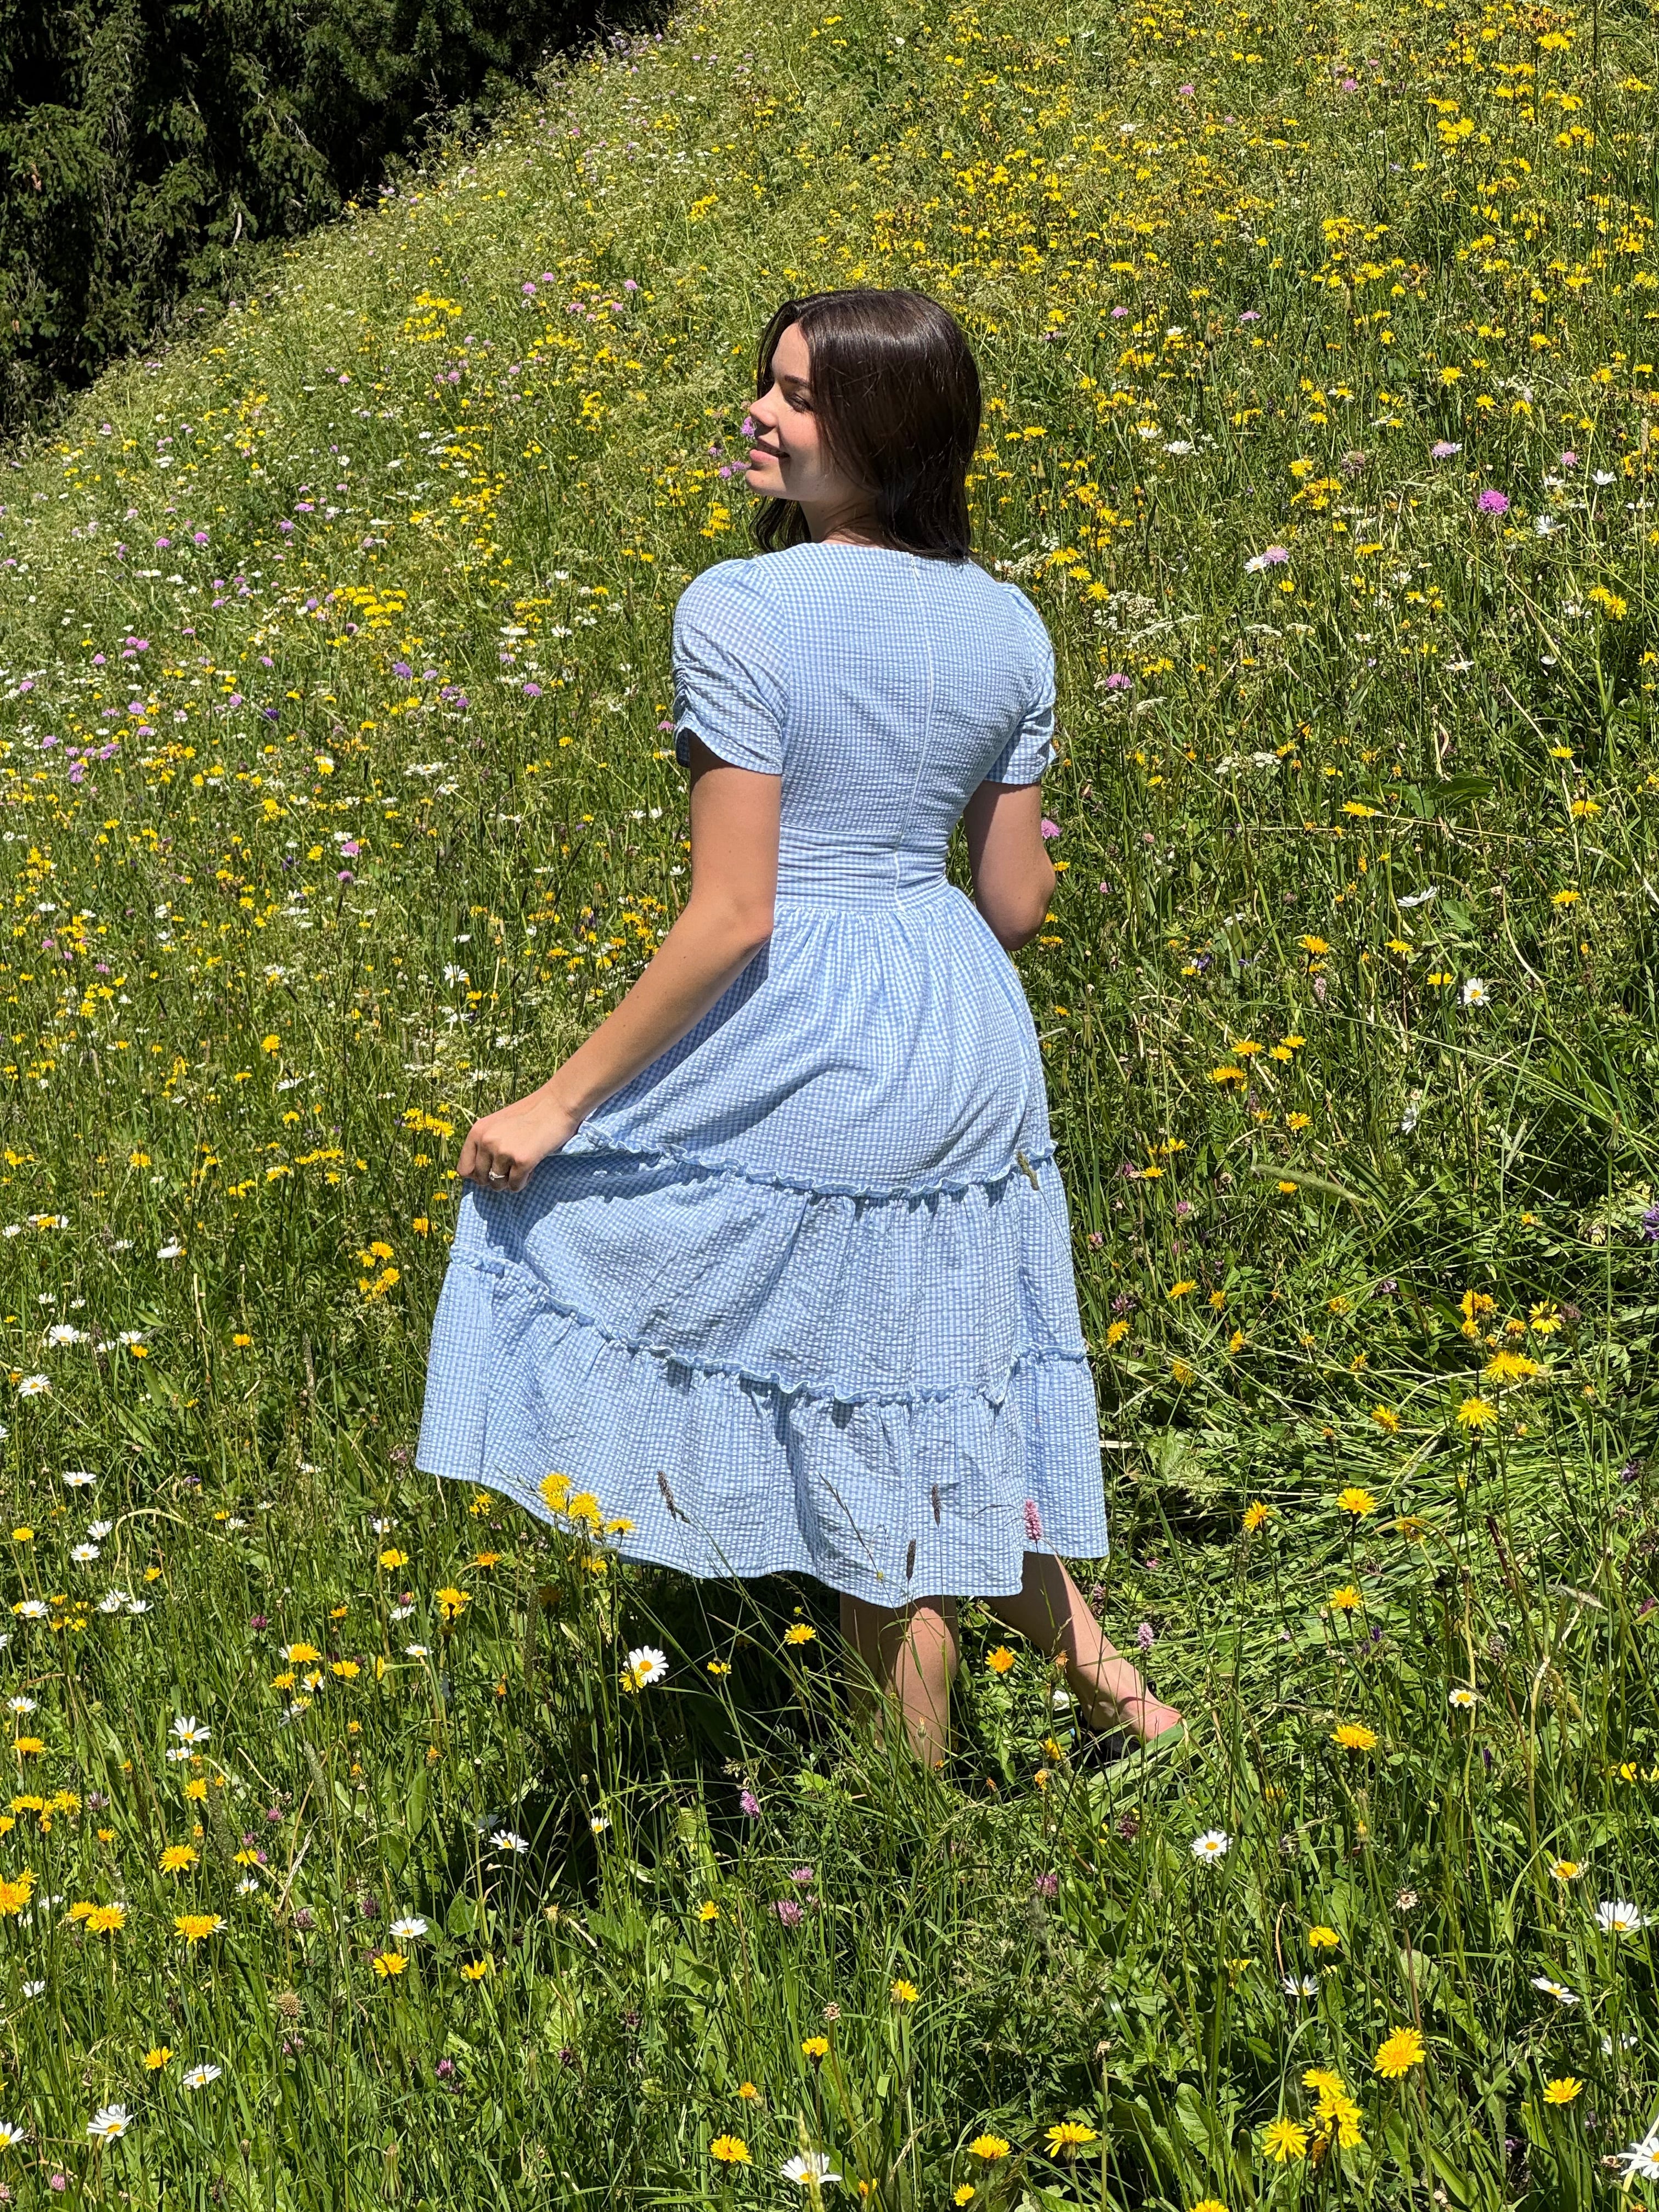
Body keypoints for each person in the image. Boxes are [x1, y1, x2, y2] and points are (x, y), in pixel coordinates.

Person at [417, 288, 1182, 1764]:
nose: (761, 416)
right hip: (965, 1028)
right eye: (766, 386)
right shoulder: (1009, 623)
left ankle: (917, 1843)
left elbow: (735, 914)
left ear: (887, 432)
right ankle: (1131, 1709)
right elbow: (1016, 901)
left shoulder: (740, 609)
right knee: (940, 1404)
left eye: (801, 400)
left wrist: (555, 1103)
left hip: (818, 1035)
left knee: (862, 1438)